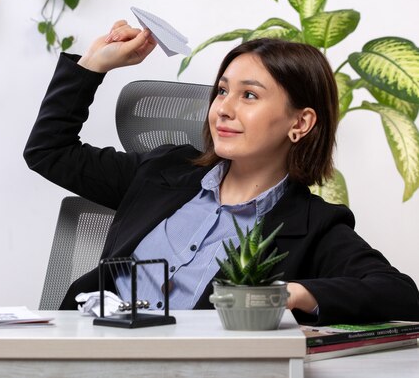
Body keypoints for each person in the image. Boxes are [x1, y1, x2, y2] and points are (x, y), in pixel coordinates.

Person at [24, 20, 419, 325]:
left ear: (300, 123)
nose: (223, 109)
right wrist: (93, 65)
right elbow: (49, 151)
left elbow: (400, 294)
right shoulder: (162, 172)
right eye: (222, 91)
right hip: (86, 354)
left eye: (249, 95)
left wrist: (291, 294)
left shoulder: (312, 225)